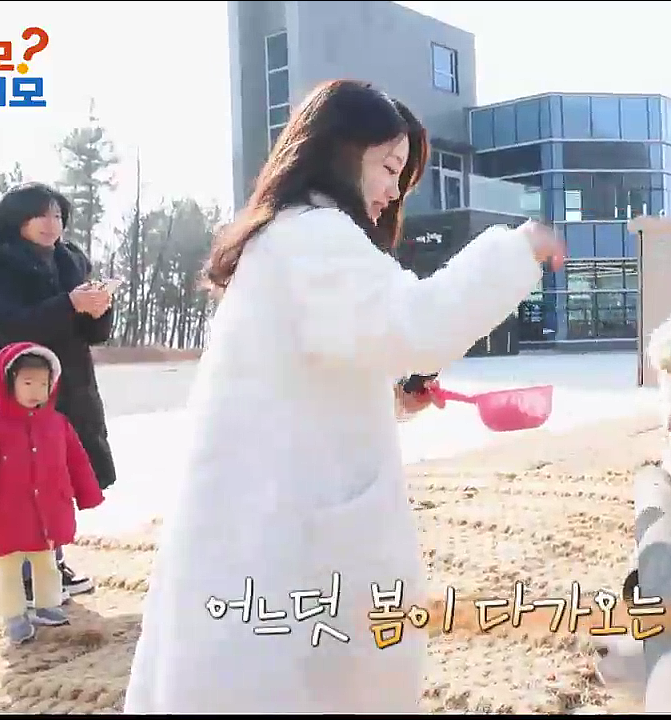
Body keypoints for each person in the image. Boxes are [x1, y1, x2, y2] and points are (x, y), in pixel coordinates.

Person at [122, 79, 564, 714]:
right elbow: (418, 323)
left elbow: (310, 376)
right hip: (286, 538)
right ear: (339, 150)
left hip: (265, 519)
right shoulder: (316, 235)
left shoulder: (289, 236)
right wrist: (520, 249)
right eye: (388, 167)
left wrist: (391, 400)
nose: (392, 191)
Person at [0, 182, 118, 603]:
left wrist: (99, 309)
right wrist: (69, 304)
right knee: (19, 480)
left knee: (55, 478)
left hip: (68, 383)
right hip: (20, 387)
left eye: (57, 215)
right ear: (18, 220)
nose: (52, 224)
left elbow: (91, 334)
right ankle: (27, 573)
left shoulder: (69, 261)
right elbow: (3, 326)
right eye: (41, 215)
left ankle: (51, 562)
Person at [0, 341, 105, 645]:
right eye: (28, 383)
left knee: (47, 563)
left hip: (47, 512)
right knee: (9, 570)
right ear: (8, 383)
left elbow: (76, 460)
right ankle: (14, 616)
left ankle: (46, 606)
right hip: (5, 515)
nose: (36, 390)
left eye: (43, 384)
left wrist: (88, 493)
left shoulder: (58, 424)